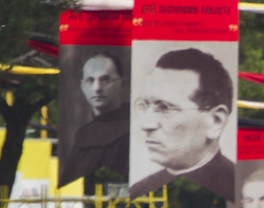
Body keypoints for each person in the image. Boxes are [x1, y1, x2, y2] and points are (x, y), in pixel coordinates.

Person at [129, 47, 236, 200]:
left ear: (215, 121)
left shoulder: (240, 190)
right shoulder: (139, 190)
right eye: (144, 105)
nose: (146, 124)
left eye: (164, 107)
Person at [61, 49, 130, 184]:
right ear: (82, 86)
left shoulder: (133, 130)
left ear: (122, 83)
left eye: (105, 80)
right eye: (90, 80)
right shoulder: (83, 135)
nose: (97, 88)